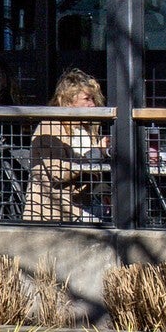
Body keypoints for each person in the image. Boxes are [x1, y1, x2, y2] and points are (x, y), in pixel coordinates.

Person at [24, 68, 109, 223]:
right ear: (68, 101)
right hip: (52, 212)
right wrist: (97, 152)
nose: (92, 104)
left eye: (93, 99)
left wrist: (104, 193)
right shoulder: (49, 127)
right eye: (87, 99)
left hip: (81, 207)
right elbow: (59, 172)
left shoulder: (86, 129)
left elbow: (93, 174)